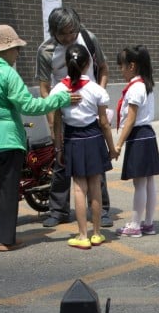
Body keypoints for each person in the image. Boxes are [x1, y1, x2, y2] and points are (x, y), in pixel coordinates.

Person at [0, 25, 78, 252]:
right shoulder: (6, 73)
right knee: (8, 189)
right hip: (6, 139)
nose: (18, 54)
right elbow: (29, 106)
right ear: (5, 49)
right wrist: (60, 98)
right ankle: (5, 239)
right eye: (16, 49)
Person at [36, 6, 114, 228]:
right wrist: (52, 120)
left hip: (90, 112)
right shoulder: (46, 50)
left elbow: (104, 69)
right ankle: (58, 210)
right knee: (61, 159)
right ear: (53, 32)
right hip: (62, 111)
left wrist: (98, 96)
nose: (70, 37)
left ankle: (102, 210)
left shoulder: (88, 39)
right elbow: (43, 87)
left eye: (72, 31)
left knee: (96, 162)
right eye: (64, 34)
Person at [50, 44, 118, 249]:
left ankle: (82, 236)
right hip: (94, 137)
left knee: (79, 188)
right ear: (88, 64)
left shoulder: (59, 89)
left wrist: (58, 148)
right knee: (95, 186)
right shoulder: (97, 90)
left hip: (72, 140)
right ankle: (97, 233)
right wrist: (112, 147)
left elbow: (56, 122)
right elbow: (104, 123)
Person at [114, 46, 159, 237]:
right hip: (148, 134)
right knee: (149, 182)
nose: (121, 70)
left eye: (122, 66)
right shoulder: (146, 85)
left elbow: (131, 119)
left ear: (132, 66)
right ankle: (148, 223)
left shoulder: (135, 88)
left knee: (139, 184)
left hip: (139, 136)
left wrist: (118, 143)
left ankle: (135, 225)